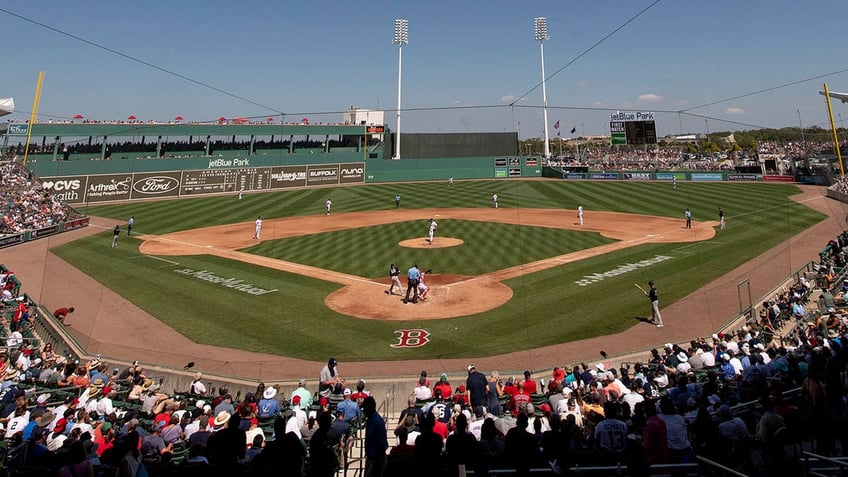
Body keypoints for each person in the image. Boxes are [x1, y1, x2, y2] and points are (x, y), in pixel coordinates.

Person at [363, 396, 388, 477]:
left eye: (365, 408)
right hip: (370, 458)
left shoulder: (377, 422)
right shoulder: (369, 420)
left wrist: (378, 462)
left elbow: (383, 443)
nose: (363, 411)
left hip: (376, 461)